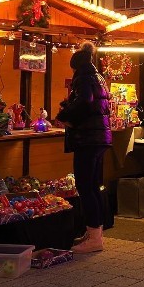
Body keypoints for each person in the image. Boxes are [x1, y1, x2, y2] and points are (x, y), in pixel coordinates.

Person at [55, 42, 112, 253]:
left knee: (85, 187)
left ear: (76, 66)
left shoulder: (84, 78)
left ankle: (95, 239)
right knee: (94, 187)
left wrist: (64, 115)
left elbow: (86, 101)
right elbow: (94, 103)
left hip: (87, 139)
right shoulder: (99, 77)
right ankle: (95, 232)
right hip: (100, 138)